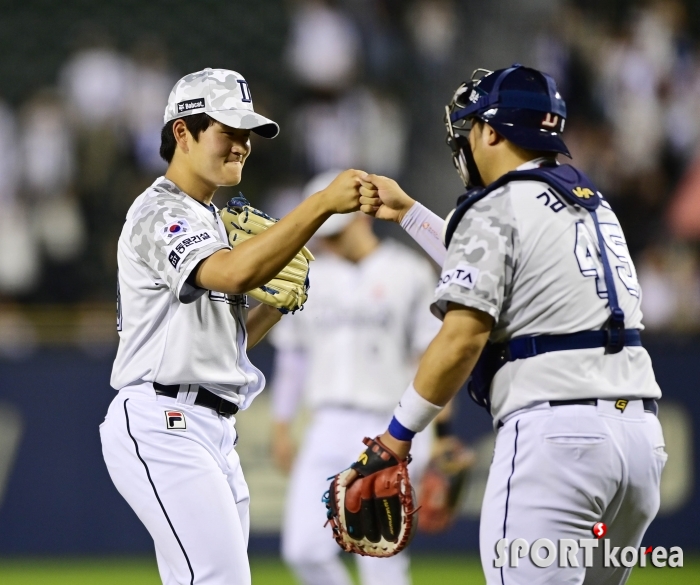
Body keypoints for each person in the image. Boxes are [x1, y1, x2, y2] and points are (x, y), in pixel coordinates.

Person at [349, 64, 666, 584]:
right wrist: (409, 213)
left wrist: (395, 438)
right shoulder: (590, 203)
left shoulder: (497, 205)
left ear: (491, 130)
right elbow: (496, 256)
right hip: (638, 445)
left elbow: (461, 337)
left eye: (470, 127)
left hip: (559, 441)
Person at [99, 67, 365, 585]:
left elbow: (227, 340)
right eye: (228, 130)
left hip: (213, 427)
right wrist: (319, 206)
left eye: (248, 134)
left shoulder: (210, 221)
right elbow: (233, 271)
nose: (243, 144)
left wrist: (277, 306)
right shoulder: (159, 211)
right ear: (183, 132)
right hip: (163, 420)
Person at [269, 170, 441, 585]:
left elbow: (432, 357)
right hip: (325, 421)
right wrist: (280, 425)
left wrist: (434, 435)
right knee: (303, 550)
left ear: (362, 216)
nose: (328, 240)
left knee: (379, 554)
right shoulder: (308, 276)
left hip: (388, 424)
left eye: (337, 229)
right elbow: (293, 358)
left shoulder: (408, 271)